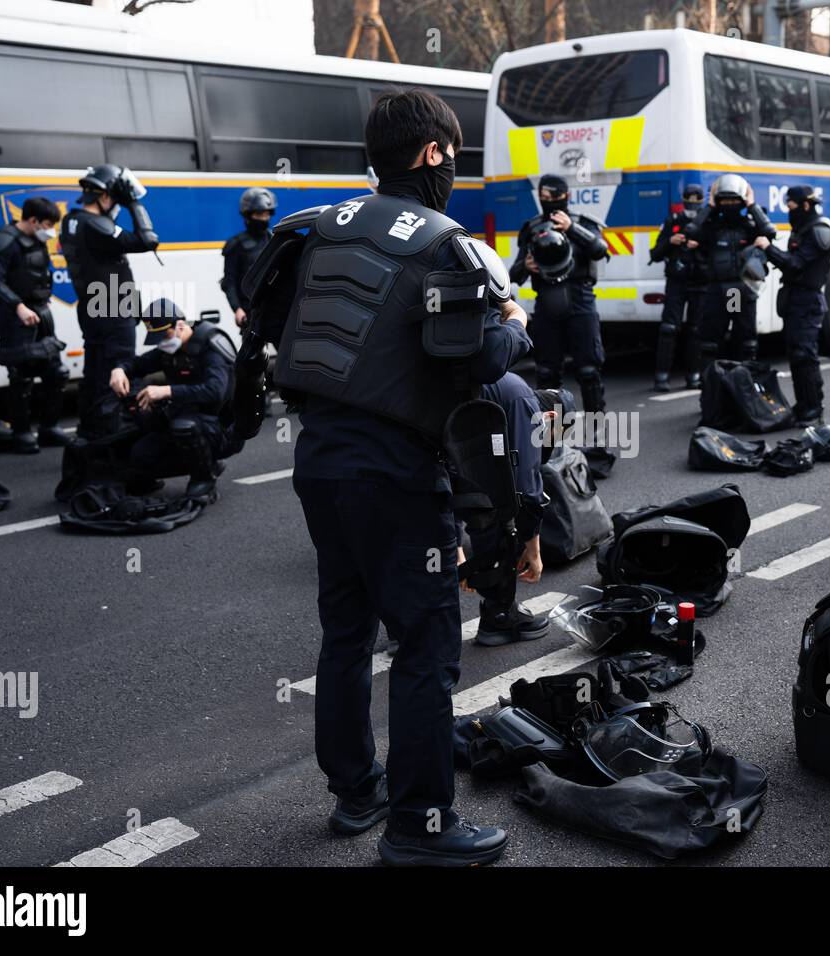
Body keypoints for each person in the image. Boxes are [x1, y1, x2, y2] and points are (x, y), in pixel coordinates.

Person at [254, 89, 531, 866]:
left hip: (319, 461)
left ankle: (357, 793)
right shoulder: (448, 246)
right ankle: (420, 827)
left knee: (345, 630)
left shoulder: (315, 228)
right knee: (426, 644)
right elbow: (478, 367)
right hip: (397, 474)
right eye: (455, 153)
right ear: (435, 153)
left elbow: (270, 324)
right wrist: (513, 325)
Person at [60, 164, 158, 436]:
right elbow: (149, 240)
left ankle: (87, 435)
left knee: (94, 374)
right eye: (115, 200)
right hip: (113, 309)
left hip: (92, 308)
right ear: (104, 197)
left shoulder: (71, 220)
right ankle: (112, 437)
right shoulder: (97, 225)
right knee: (118, 374)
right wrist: (133, 204)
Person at [109, 299, 235, 499]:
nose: (162, 342)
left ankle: (204, 477)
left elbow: (215, 392)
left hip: (222, 425)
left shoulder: (211, 347)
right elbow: (137, 364)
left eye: (164, 335)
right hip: (188, 416)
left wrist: (167, 391)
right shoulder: (168, 349)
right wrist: (119, 370)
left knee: (183, 426)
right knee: (141, 453)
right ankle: (157, 477)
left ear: (181, 325)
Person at [457, 372, 549, 646]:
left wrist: (455, 551)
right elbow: (526, 485)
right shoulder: (522, 400)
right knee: (500, 517)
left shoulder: (495, 387)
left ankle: (402, 632)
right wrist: (533, 549)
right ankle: (498, 616)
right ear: (551, 418)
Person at [509, 174, 609, 417]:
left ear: (566, 196)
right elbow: (515, 273)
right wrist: (526, 266)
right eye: (544, 197)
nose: (549, 201)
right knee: (546, 375)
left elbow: (600, 251)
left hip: (580, 300)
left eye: (554, 197)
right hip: (547, 302)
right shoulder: (532, 229)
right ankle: (552, 445)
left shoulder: (583, 223)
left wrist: (571, 228)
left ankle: (598, 439)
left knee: (588, 371)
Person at [0, 196, 68, 454]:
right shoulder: (5, 241)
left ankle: (49, 428)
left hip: (41, 314)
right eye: (47, 224)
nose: (50, 230)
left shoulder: (37, 240)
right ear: (33, 221)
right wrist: (18, 306)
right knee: (21, 377)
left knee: (56, 372)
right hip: (14, 317)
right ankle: (21, 433)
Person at [758, 184, 830, 426]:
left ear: (805, 205)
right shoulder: (803, 229)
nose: (789, 211)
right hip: (794, 301)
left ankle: (813, 408)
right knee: (795, 358)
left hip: (807, 301)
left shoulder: (818, 231)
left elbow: (796, 264)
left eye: (791, 206)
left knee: (805, 356)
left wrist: (768, 249)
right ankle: (803, 406)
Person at [685, 174, 775, 367]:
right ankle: (711, 377)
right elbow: (691, 232)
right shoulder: (712, 228)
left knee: (744, 336)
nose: (729, 204)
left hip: (738, 289)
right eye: (725, 200)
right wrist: (709, 206)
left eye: (734, 200)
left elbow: (769, 232)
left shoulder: (748, 226)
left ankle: (745, 376)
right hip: (717, 288)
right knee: (711, 337)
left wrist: (752, 205)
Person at [649, 184, 707, 392]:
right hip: (677, 281)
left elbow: (718, 251)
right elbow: (655, 253)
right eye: (689, 198)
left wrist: (700, 245)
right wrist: (671, 242)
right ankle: (662, 377)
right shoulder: (673, 222)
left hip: (700, 283)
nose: (692, 202)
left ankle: (694, 375)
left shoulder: (707, 222)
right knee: (668, 329)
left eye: (696, 198)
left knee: (696, 330)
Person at [221, 187, 276, 328]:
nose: (264, 218)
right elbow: (229, 281)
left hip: (275, 308)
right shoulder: (236, 244)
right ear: (248, 216)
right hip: (249, 310)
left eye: (266, 214)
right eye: (259, 214)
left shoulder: (274, 240)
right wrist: (237, 309)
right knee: (251, 350)